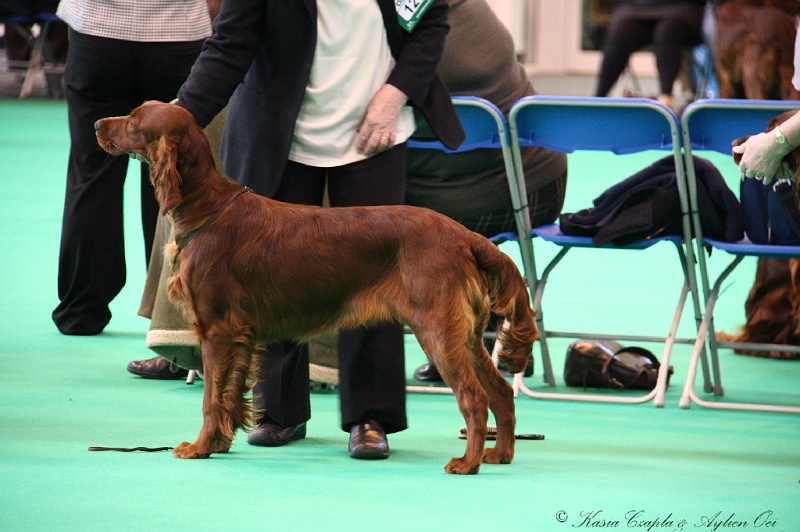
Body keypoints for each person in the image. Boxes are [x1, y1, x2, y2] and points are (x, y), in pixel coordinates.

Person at [167, 0, 464, 459]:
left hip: (375, 128)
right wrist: (181, 115)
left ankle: (371, 416)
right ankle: (278, 411)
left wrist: (396, 92)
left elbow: (430, 24)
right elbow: (229, 45)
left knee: (378, 277)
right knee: (270, 274)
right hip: (276, 129)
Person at [403, 0, 568, 382]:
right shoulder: (476, 12)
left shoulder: (403, 36)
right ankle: (481, 323)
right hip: (539, 192)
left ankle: (327, 355)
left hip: (459, 210)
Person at [51, 0, 212, 336]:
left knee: (91, 175)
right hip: (177, 38)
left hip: (98, 33)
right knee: (171, 178)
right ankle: (168, 315)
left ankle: (80, 310)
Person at [594, 0, 706, 110]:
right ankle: (597, 100)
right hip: (641, 7)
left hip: (686, 8)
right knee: (621, 27)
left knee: (667, 29)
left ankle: (665, 101)